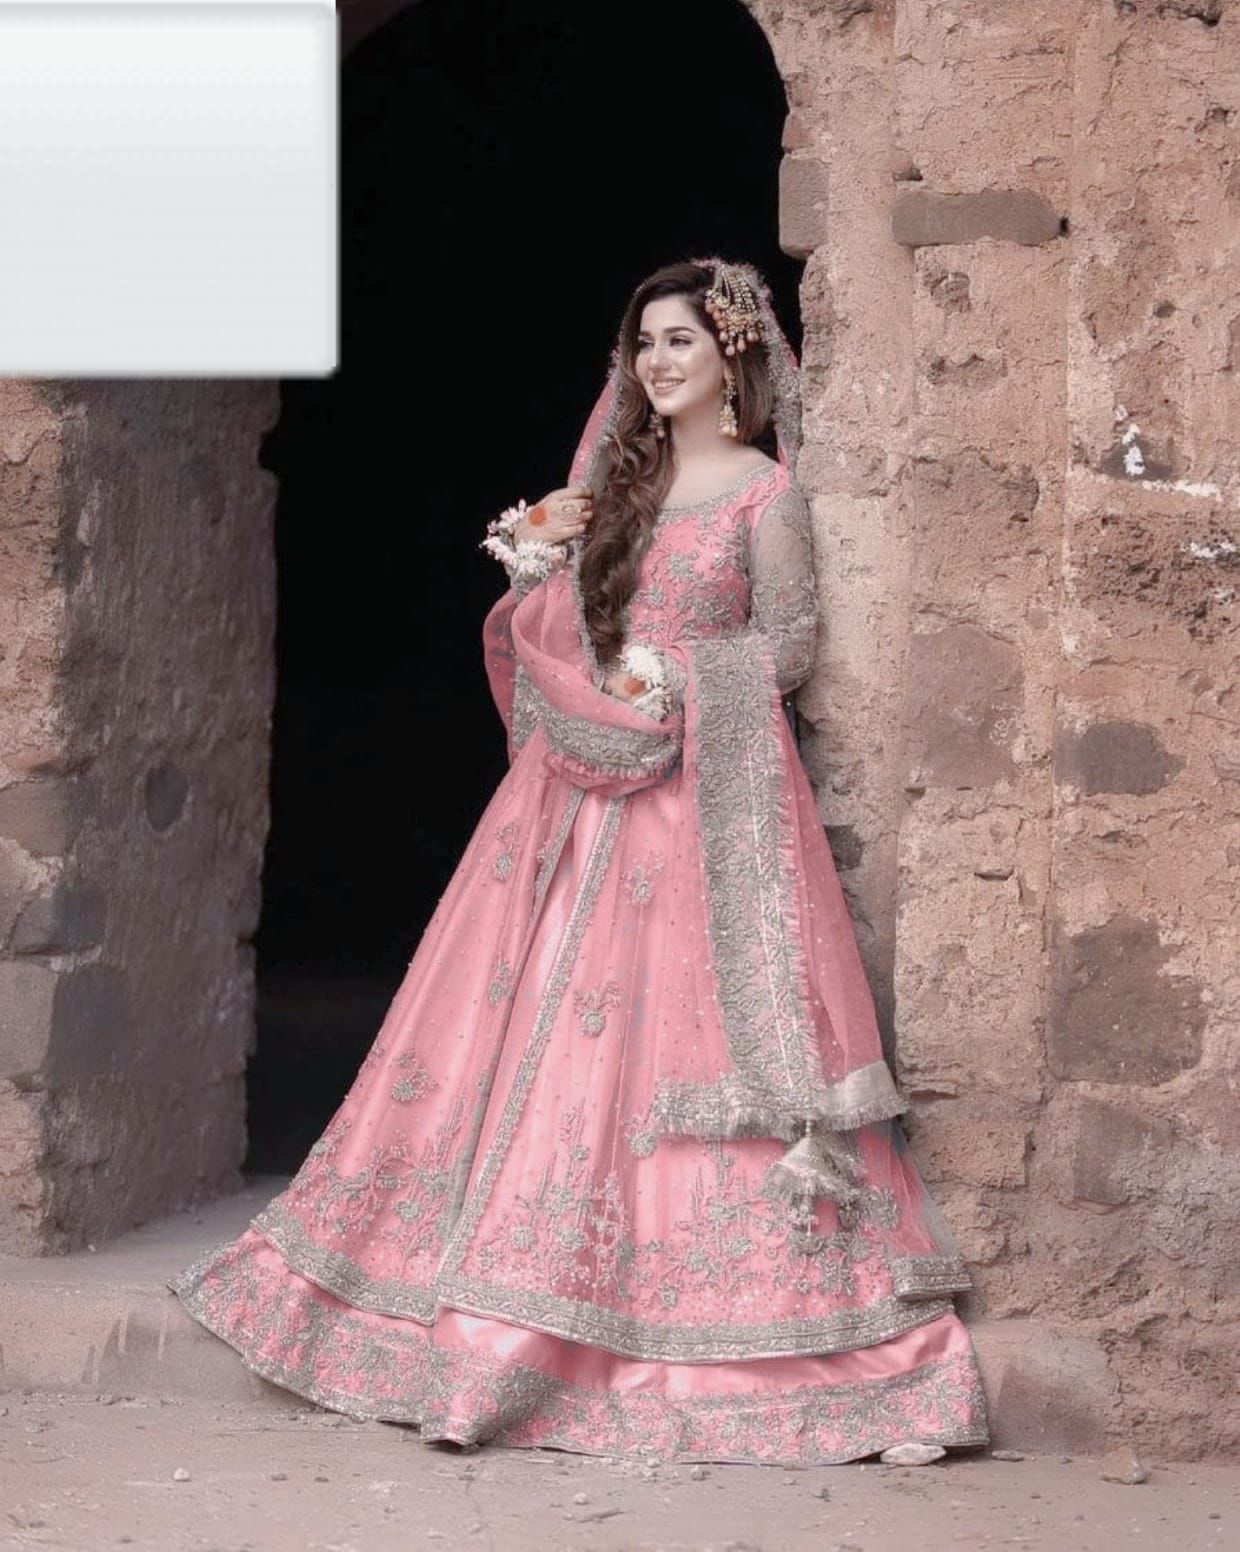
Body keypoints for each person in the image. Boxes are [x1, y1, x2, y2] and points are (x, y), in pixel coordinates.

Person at [169, 258, 990, 1465]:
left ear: (732, 355)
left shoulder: (766, 495)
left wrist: (677, 678)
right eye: (643, 343)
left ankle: (786, 1346)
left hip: (698, 804)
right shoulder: (617, 486)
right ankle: (488, 1323)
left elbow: (790, 644)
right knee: (518, 1027)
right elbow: (573, 627)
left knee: (675, 1042)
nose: (656, 362)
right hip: (571, 797)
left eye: (679, 341)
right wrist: (541, 579)